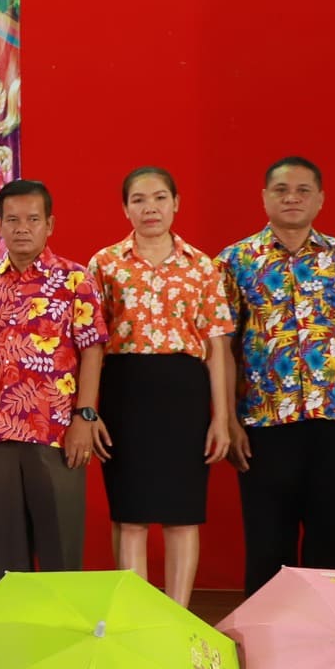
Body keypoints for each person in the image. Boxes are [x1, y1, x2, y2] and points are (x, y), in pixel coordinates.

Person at [220, 156, 335, 594]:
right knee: (267, 549)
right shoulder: (235, 261)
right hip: (264, 424)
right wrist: (228, 420)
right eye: (281, 190)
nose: (291, 198)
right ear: (264, 197)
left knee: (333, 546)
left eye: (302, 190)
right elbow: (224, 350)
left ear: (320, 199)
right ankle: (268, 636)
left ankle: (328, 635)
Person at [85, 167, 235, 609]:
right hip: (124, 392)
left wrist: (221, 418)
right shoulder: (104, 264)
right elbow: (91, 343)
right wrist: (89, 410)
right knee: (130, 514)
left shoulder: (202, 266)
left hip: (185, 395)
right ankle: (137, 618)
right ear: (125, 208)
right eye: (138, 199)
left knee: (182, 515)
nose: (150, 208)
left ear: (176, 203)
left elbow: (217, 346)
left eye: (159, 198)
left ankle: (176, 617)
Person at [0, 179, 108, 581]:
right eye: (12, 220)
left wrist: (85, 416)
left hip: (56, 431)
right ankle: (12, 622)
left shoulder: (75, 280)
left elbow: (92, 349)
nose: (22, 228)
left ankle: (61, 621)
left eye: (32, 219)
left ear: (49, 224)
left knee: (60, 545)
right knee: (6, 553)